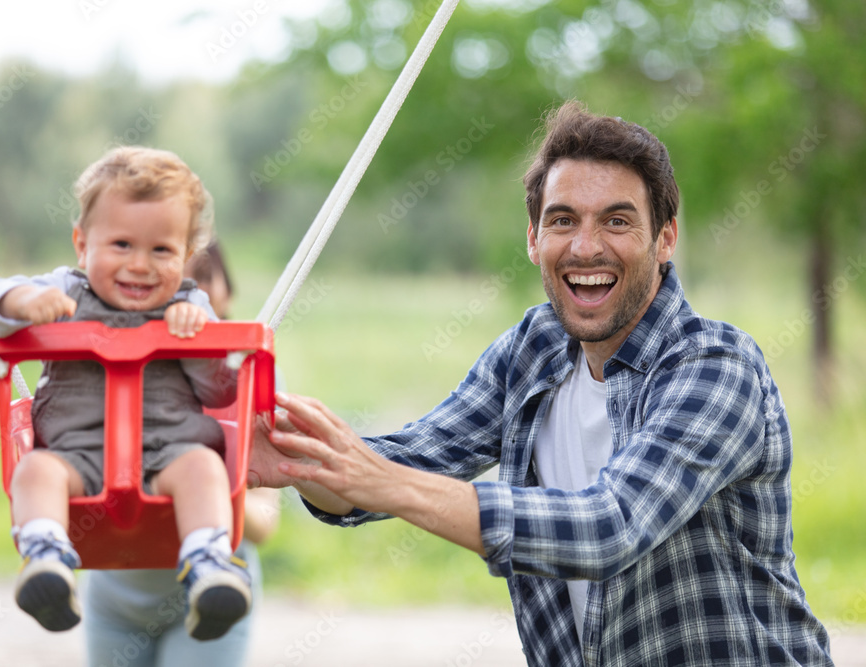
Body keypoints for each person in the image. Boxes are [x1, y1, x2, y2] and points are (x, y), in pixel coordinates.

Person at [251, 101, 834, 666]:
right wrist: (290, 454)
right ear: (533, 239)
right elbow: (405, 462)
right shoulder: (532, 350)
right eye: (562, 220)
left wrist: (380, 480)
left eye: (617, 221)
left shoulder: (717, 366)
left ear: (664, 239)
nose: (585, 247)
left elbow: (608, 528)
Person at [0, 146, 251, 642]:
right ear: (82, 245)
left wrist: (199, 340)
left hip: (170, 453)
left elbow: (220, 391)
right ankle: (46, 559)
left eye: (161, 250)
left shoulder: (191, 305)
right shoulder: (64, 291)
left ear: (187, 256)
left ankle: (209, 563)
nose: (140, 265)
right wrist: (24, 300)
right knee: (33, 470)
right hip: (74, 457)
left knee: (205, 468)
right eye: (121, 244)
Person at [81, 239, 281, 667]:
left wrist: (209, 493)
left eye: (202, 277)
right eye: (169, 280)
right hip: (114, 594)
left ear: (227, 289)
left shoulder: (246, 379)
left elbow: (265, 521)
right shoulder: (109, 363)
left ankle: (208, 564)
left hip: (214, 592)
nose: (188, 292)